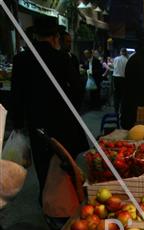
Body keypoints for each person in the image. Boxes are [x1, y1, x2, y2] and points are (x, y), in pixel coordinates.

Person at [10, 17, 88, 201]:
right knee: (64, 163)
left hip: (37, 123)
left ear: (35, 35)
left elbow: (16, 95)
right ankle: (64, 201)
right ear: (55, 37)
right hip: (63, 123)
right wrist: (71, 110)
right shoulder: (63, 58)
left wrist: (18, 122)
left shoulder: (21, 59)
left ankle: (46, 201)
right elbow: (78, 89)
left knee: (43, 164)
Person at [112, 48, 128, 119]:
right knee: (123, 96)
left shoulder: (116, 59)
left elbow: (113, 67)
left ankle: (116, 111)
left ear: (121, 52)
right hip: (123, 79)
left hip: (116, 78)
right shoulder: (127, 60)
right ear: (125, 53)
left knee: (116, 95)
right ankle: (122, 112)